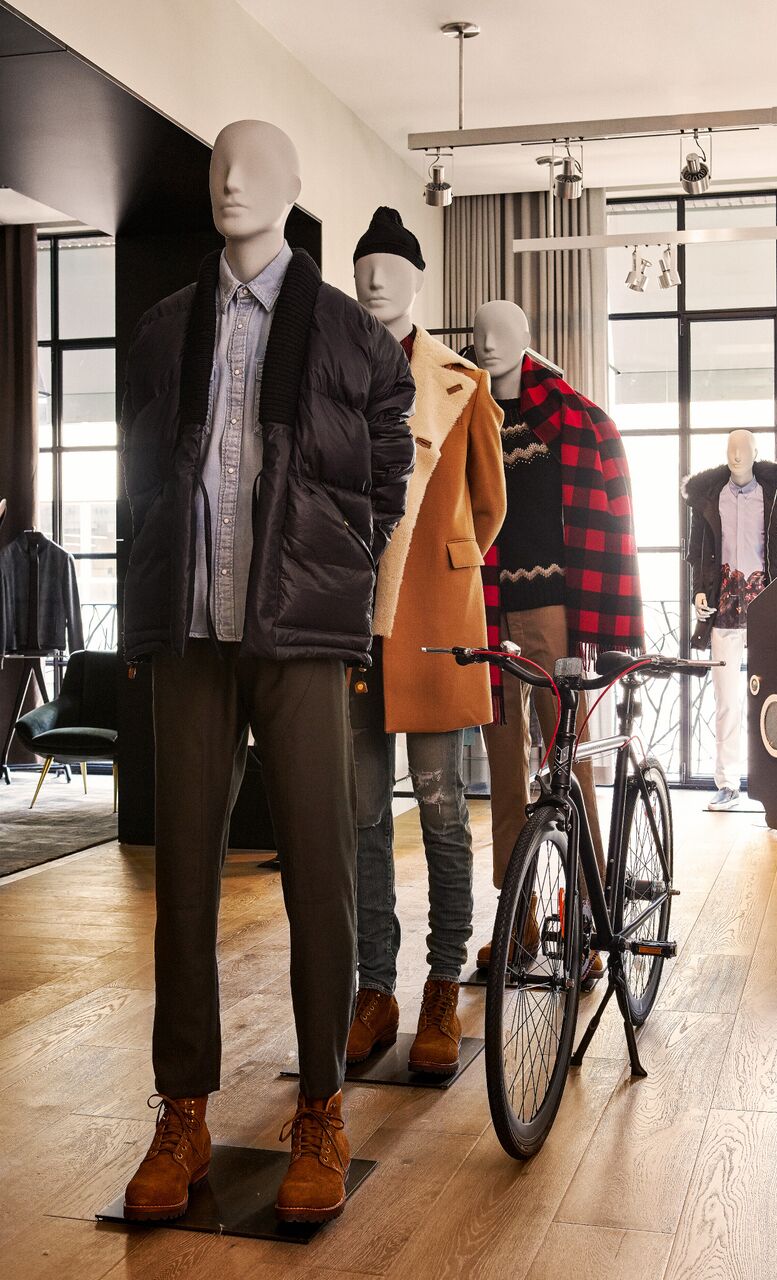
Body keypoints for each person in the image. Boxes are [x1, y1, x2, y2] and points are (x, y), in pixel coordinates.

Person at [120, 121, 415, 1224]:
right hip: (192, 634)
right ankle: (183, 1112)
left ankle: (323, 1108)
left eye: (253, 166)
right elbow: (144, 476)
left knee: (320, 875)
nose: (231, 181)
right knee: (184, 878)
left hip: (299, 636)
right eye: (218, 164)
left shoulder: (349, 336)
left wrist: (338, 573)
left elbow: (385, 477)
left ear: (293, 188)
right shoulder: (164, 327)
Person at [348, 208, 505, 1075]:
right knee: (362, 816)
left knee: (443, 813)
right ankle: (375, 988)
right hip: (348, 619)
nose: (376, 280)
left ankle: (443, 983)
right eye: (364, 266)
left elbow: (488, 505)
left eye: (392, 267)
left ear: (418, 281)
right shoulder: (329, 369)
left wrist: (441, 568)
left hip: (439, 619)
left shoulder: (464, 383)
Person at [472, 300, 643, 974]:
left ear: (526, 340)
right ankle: (517, 917)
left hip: (554, 617)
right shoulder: (466, 413)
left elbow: (609, 526)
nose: (488, 343)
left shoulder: (576, 420)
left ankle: (586, 912)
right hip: (485, 611)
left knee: (568, 767)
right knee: (503, 772)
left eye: (501, 332)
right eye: (479, 333)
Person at [683, 429, 777, 810]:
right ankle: (727, 784)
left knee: (774, 698)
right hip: (722, 612)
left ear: (755, 453)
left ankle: (774, 781)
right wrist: (699, 592)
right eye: (731, 449)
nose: (736, 455)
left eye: (743, 449)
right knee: (726, 701)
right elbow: (696, 555)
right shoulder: (709, 499)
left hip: (767, 611)